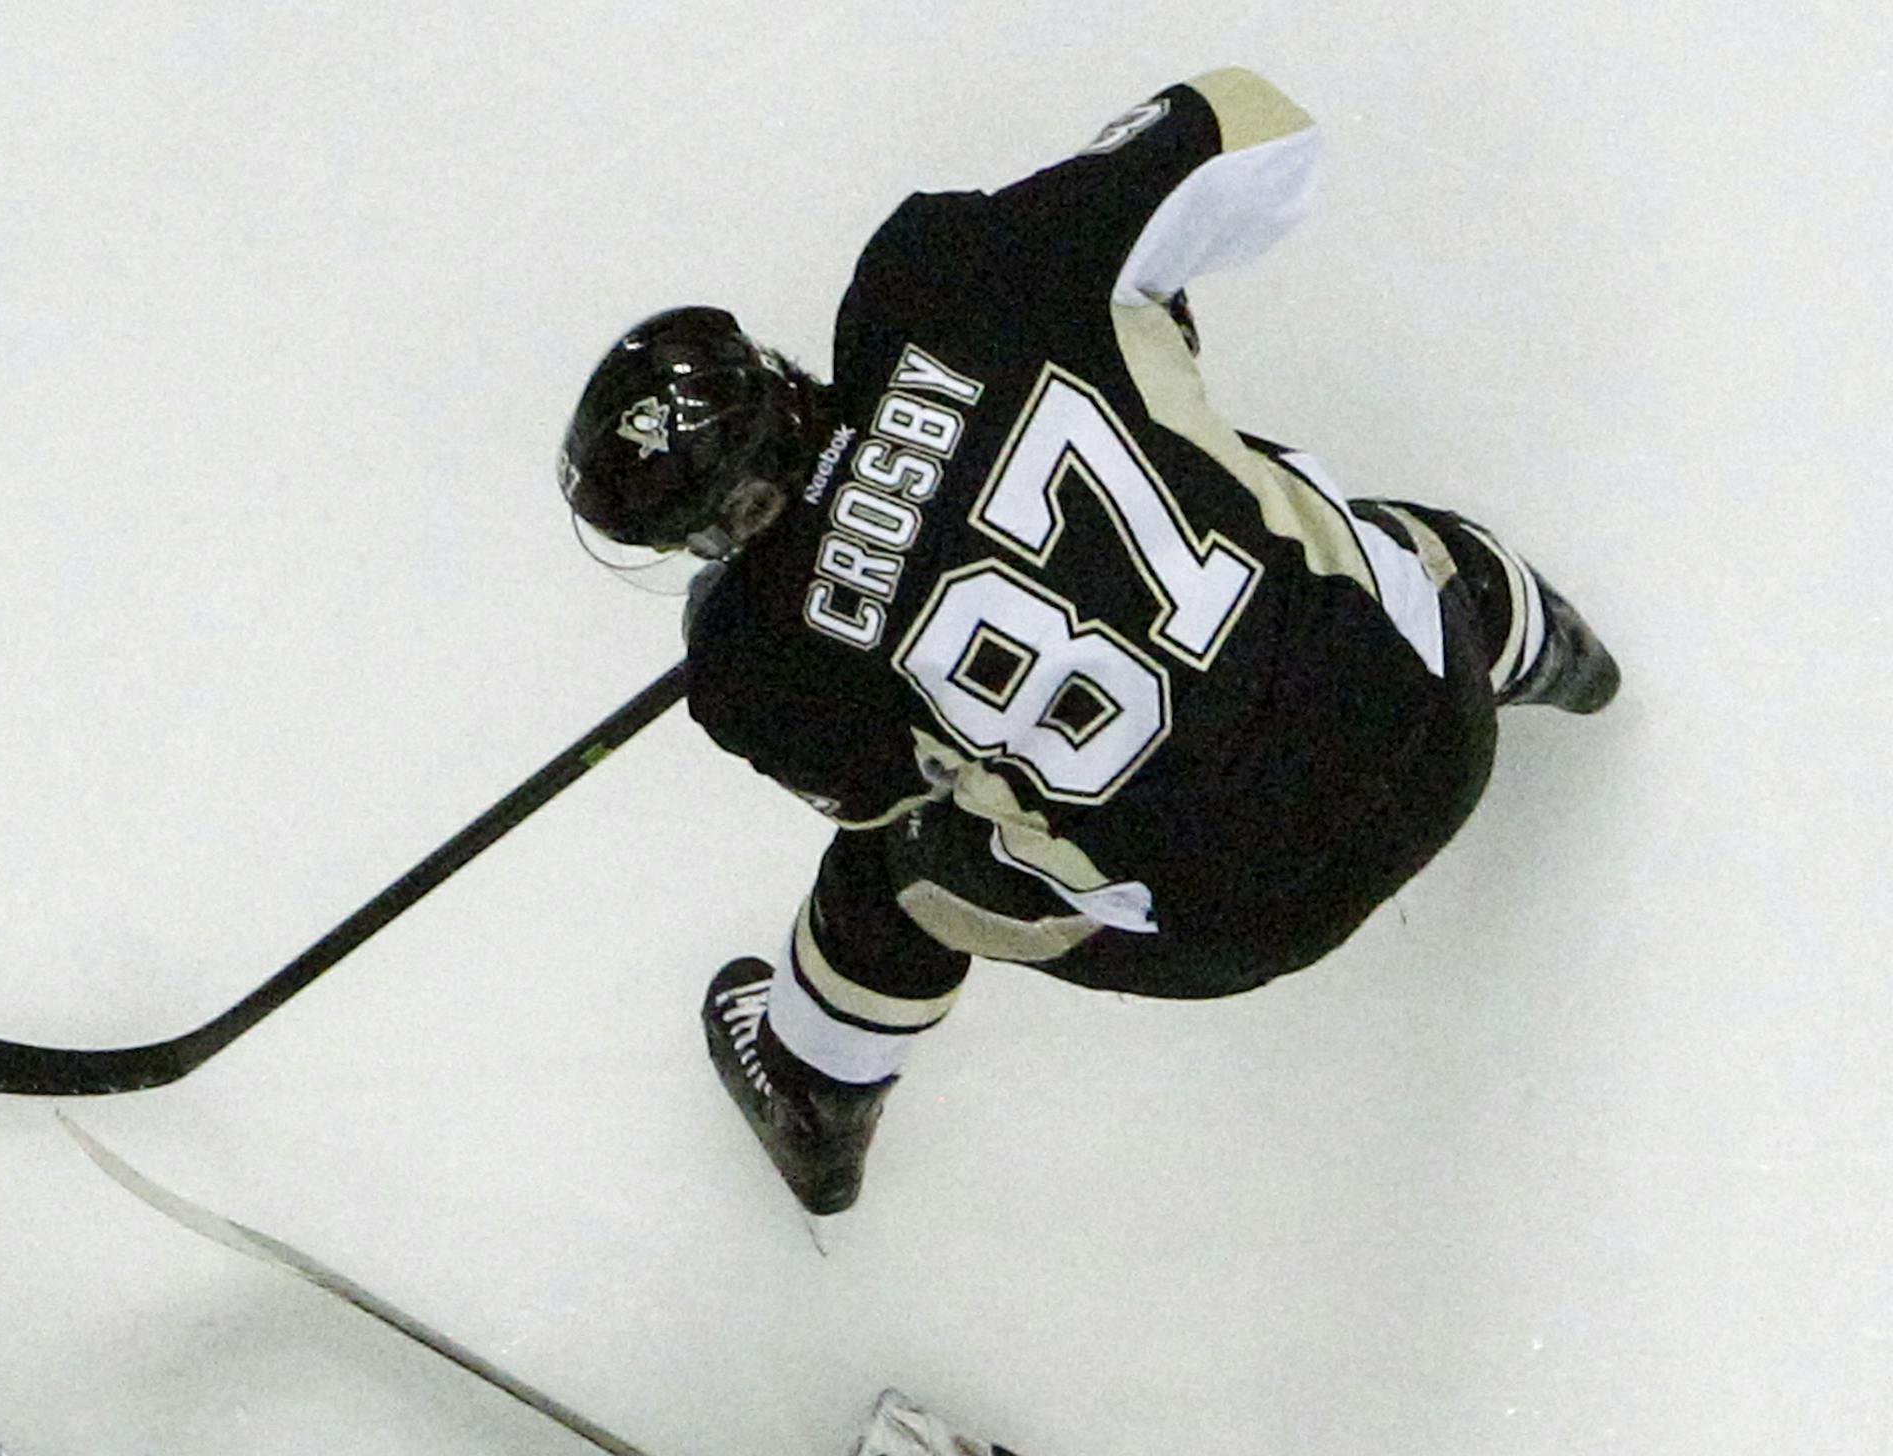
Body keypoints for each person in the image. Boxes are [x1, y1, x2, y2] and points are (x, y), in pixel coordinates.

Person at [556, 67, 1618, 1217]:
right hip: (1437, 718)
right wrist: (1121, 268)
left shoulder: (754, 670)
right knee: (1366, 556)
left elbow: (882, 779)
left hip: (1240, 921)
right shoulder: (941, 280)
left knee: (897, 865)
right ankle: (1545, 652)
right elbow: (1263, 129)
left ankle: (816, 1088)